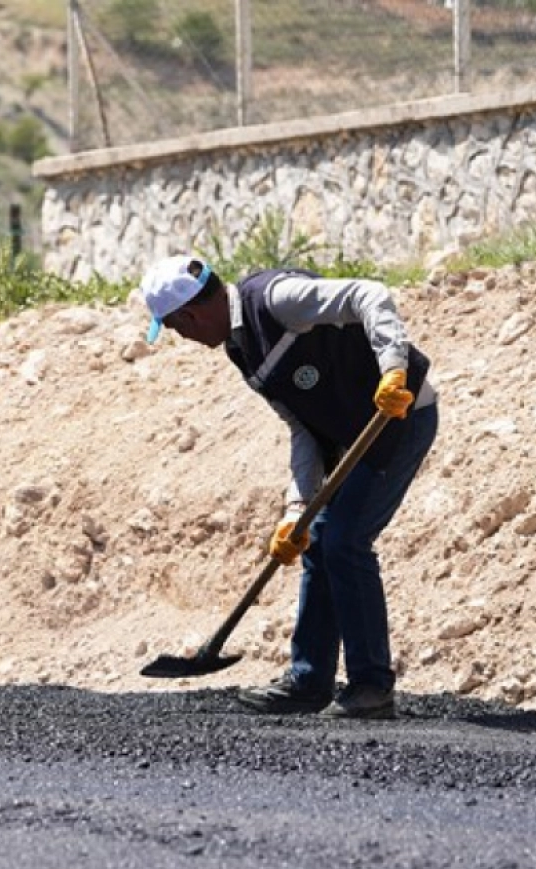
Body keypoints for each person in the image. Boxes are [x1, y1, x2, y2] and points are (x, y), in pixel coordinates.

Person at [139, 255, 439, 719]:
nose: (183, 338)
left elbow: (370, 295)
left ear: (189, 315)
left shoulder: (276, 300)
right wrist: (295, 511)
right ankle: (309, 681)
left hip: (400, 415)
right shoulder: (241, 347)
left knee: (345, 541)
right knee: (319, 539)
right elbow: (302, 428)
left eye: (176, 329)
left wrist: (393, 368)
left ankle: (371, 686)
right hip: (349, 434)